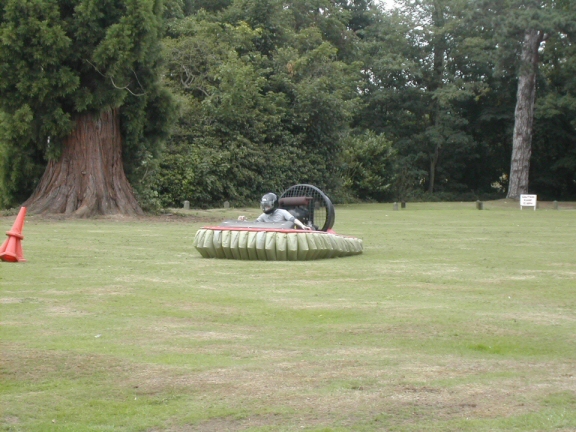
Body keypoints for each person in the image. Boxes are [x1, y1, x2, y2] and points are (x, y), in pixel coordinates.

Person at [238, 193, 312, 230]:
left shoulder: (282, 212)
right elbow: (254, 225)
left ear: (274, 204)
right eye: (264, 206)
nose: (265, 208)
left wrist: (303, 226)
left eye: (267, 206)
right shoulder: (263, 216)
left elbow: (293, 220)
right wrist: (243, 221)